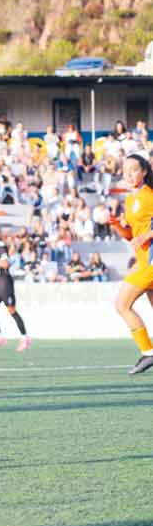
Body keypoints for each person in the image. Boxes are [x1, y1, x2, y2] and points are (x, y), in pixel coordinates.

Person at [109, 152, 153, 375]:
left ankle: (148, 352)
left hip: (151, 264)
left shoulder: (149, 195)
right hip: (145, 260)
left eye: (134, 169)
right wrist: (116, 225)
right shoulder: (130, 199)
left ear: (144, 171)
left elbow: (144, 234)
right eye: (125, 170)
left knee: (122, 305)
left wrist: (147, 237)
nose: (129, 174)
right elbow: (131, 234)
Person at [0, 226, 31, 352]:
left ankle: (25, 337)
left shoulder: (0, 247)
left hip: (4, 282)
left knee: (11, 311)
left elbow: (5, 264)